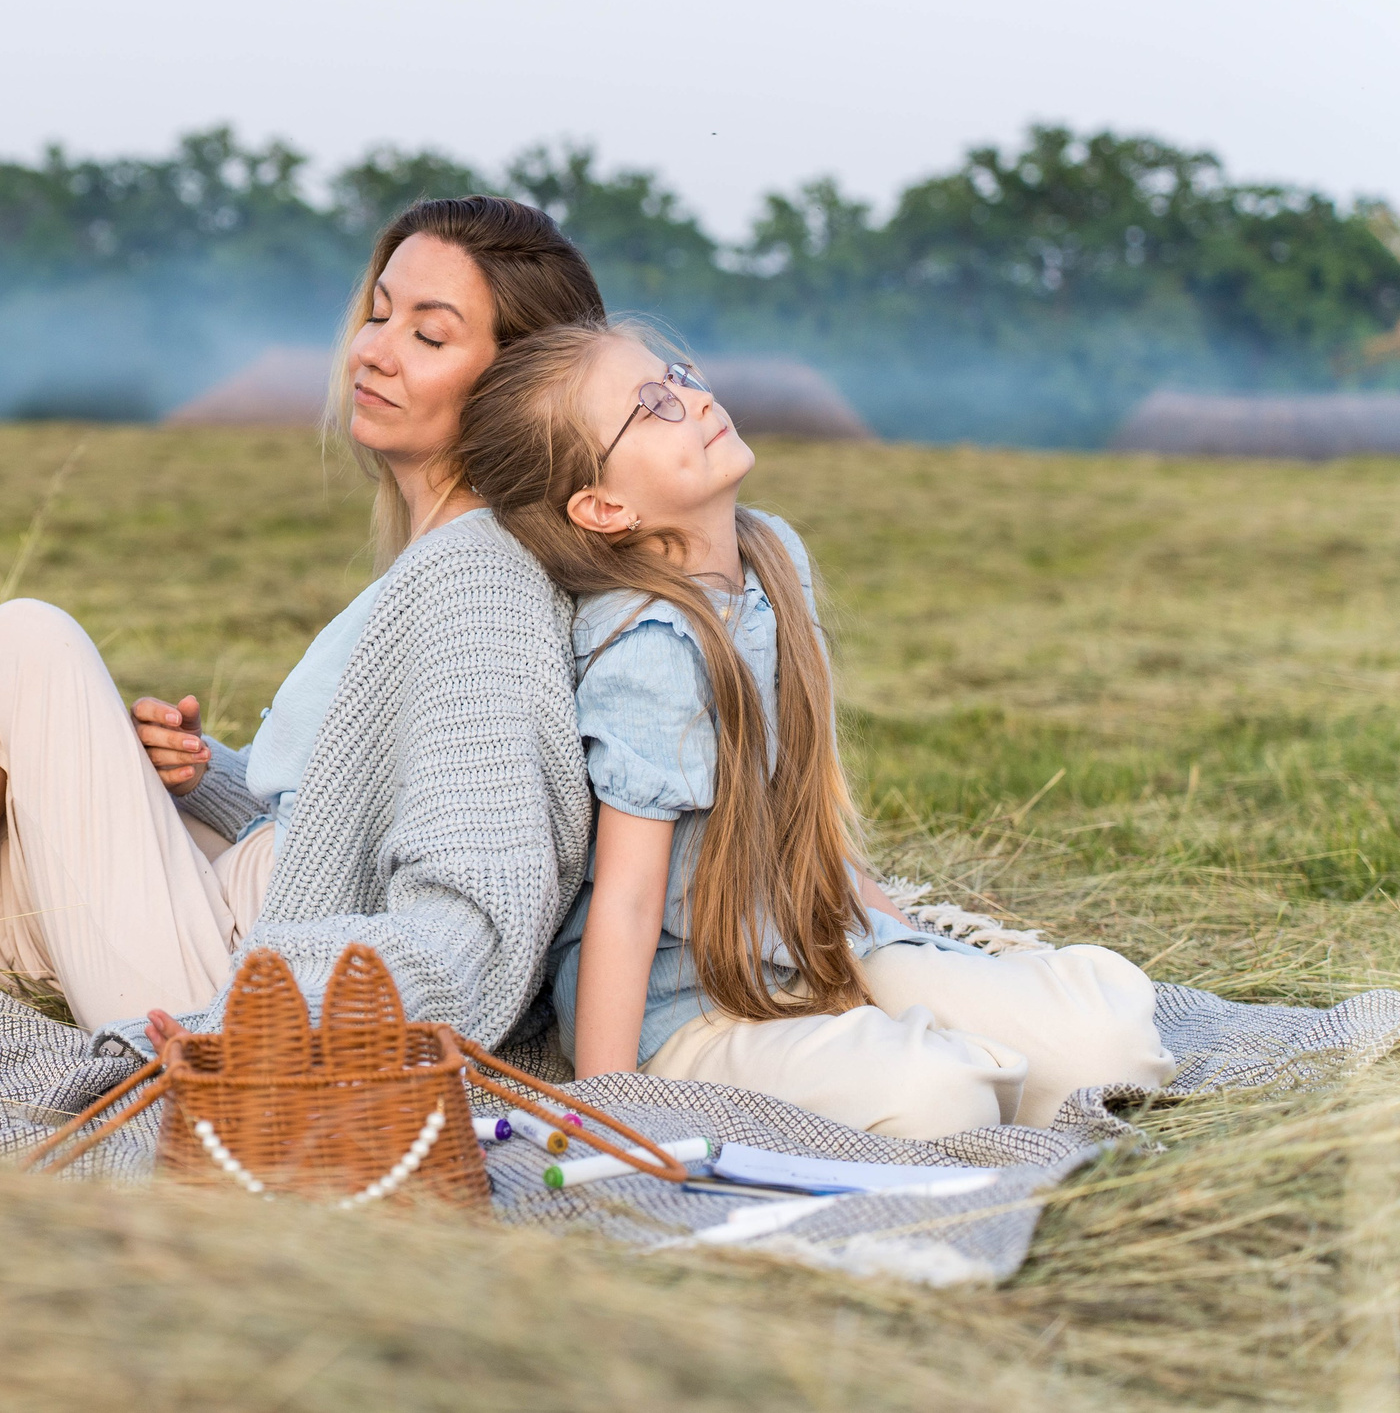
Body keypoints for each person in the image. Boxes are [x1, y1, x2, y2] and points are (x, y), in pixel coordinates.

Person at [0, 197, 603, 1050]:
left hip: (238, 987)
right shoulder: (435, 565)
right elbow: (332, 827)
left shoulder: (480, 581)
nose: (372, 350)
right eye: (379, 313)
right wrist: (207, 775)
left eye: (429, 336)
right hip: (235, 920)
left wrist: (268, 1029)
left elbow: (474, 914)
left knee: (28, 645)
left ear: (516, 387)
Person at [451, 320, 1178, 1137]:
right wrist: (608, 1104)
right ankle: (918, 1063)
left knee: (1110, 1051)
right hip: (695, 1004)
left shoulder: (772, 556)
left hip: (819, 944)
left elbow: (803, 799)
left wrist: (900, 943)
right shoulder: (649, 647)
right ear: (604, 506)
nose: (693, 397)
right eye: (652, 404)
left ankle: (917, 1039)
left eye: (678, 374)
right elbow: (627, 898)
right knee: (944, 1101)